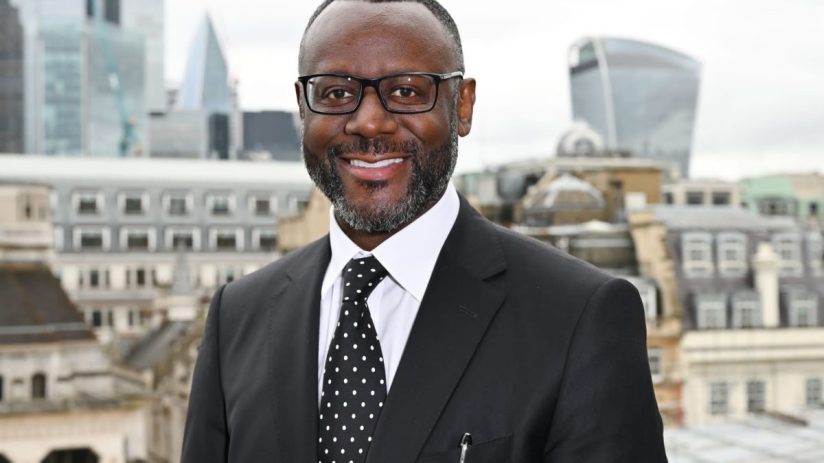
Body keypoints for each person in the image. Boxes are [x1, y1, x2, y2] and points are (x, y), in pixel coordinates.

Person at [181, 0, 667, 461]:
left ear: (463, 106)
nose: (369, 123)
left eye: (407, 91)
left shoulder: (579, 316)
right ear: (302, 108)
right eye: (336, 93)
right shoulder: (237, 317)